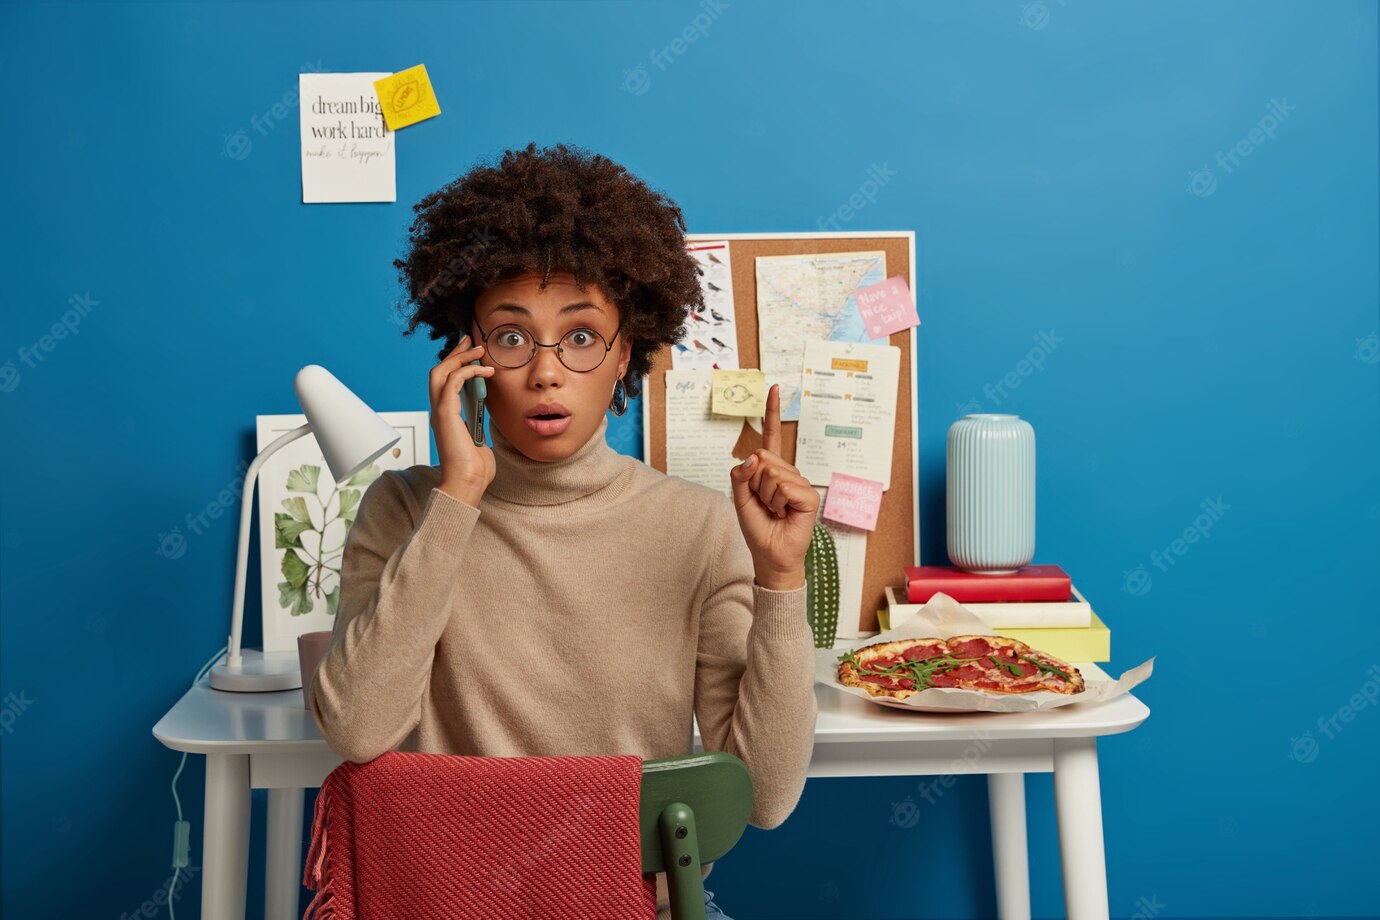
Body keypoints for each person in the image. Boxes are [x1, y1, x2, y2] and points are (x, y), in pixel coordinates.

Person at [308, 142, 819, 920]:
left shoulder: (697, 528)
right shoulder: (406, 509)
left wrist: (780, 582)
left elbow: (769, 797)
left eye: (581, 337)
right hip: (443, 902)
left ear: (627, 358)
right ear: (468, 358)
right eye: (512, 337)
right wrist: (458, 500)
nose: (546, 371)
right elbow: (356, 728)